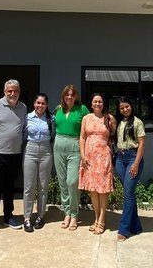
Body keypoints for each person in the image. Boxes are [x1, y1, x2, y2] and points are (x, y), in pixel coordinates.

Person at [0, 79, 27, 236]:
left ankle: (9, 216)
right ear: (4, 92)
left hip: (15, 154)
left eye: (15, 91)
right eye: (9, 91)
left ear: (19, 92)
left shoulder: (23, 107)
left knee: (10, 187)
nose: (12, 93)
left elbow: (23, 129)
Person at [53, 84, 90, 231]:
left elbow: (92, 123)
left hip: (75, 146)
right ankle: (67, 213)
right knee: (62, 181)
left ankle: (74, 214)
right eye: (67, 94)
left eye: (72, 95)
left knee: (72, 181)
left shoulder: (82, 109)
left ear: (76, 96)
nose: (69, 97)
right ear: (63, 96)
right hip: (59, 145)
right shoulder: (58, 109)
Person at [79, 94, 116, 235]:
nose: (97, 104)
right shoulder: (86, 118)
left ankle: (102, 219)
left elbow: (114, 137)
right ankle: (95, 218)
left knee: (103, 189)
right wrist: (82, 154)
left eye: (100, 101)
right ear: (91, 103)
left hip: (103, 157)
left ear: (103, 103)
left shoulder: (109, 118)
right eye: (95, 101)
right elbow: (82, 137)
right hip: (89, 158)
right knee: (93, 189)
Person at [114, 97, 146, 242]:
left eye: (127, 106)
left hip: (133, 158)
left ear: (131, 106)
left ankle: (124, 229)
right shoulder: (120, 122)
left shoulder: (138, 122)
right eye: (122, 108)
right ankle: (136, 226)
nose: (125, 109)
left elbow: (142, 145)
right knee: (129, 193)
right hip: (120, 159)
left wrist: (136, 164)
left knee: (128, 194)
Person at [22, 93, 55, 233]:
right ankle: (27, 218)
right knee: (29, 186)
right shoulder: (27, 117)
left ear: (46, 105)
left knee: (43, 185)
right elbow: (23, 134)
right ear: (34, 104)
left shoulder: (51, 119)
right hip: (30, 149)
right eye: (38, 103)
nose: (40, 106)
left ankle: (40, 215)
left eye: (43, 103)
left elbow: (54, 134)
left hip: (46, 151)